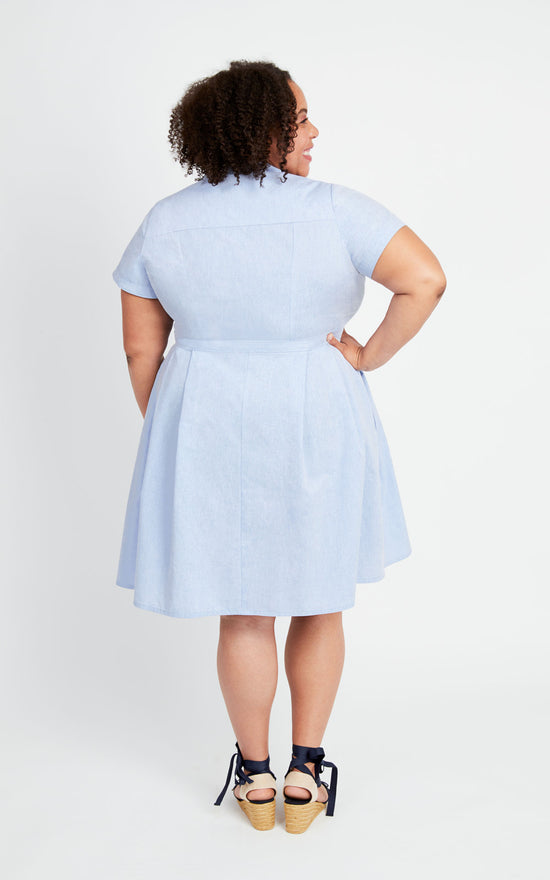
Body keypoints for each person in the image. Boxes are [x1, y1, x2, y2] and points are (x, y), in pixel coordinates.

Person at [112, 60, 446, 834]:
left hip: (208, 421)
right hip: (314, 412)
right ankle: (306, 774)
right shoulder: (334, 209)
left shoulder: (165, 221)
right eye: (300, 120)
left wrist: (175, 428)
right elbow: (425, 280)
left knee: (243, 611)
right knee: (318, 599)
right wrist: (367, 354)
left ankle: (255, 779)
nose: (314, 131)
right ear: (261, 128)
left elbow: (140, 349)